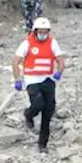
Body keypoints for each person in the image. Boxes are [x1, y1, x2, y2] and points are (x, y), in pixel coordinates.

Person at [11, 17, 65, 154]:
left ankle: (43, 143)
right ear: (35, 31)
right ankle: (28, 114)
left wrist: (59, 71)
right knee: (38, 103)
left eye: (45, 32)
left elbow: (60, 59)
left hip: (48, 79)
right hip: (32, 79)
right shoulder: (27, 43)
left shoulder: (52, 43)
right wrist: (17, 79)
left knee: (48, 110)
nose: (43, 34)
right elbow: (16, 61)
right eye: (40, 31)